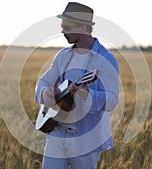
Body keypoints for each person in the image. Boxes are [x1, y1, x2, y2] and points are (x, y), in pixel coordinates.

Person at [35, 2, 119, 169]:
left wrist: (88, 94)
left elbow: (111, 101)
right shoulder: (63, 56)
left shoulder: (106, 60)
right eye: (62, 26)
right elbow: (42, 83)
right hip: (56, 131)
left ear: (82, 27)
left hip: (86, 139)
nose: (62, 31)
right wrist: (46, 93)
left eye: (67, 26)